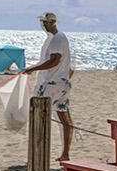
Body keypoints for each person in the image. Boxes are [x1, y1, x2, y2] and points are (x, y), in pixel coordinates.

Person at [18, 11, 75, 162]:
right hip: (61, 83)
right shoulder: (59, 38)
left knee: (40, 114)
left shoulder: (57, 38)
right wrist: (64, 82)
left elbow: (55, 60)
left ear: (50, 23)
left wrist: (33, 69)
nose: (42, 25)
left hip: (52, 84)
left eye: (44, 23)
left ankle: (38, 156)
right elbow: (70, 67)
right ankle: (65, 154)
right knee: (64, 117)